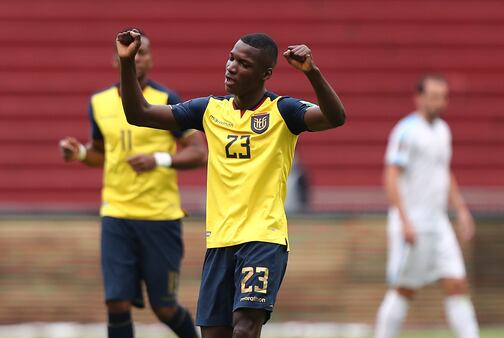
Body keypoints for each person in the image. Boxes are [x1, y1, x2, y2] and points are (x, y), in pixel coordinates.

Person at [115, 29, 346, 338]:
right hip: (220, 241)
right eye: (231, 58)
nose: (232, 67)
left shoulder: (283, 111)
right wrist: (126, 62)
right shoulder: (210, 110)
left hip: (263, 238)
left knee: (245, 329)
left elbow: (335, 117)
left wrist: (312, 73)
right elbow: (138, 113)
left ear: (265, 74)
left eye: (244, 64)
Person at [59, 29, 206, 338]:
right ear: (116, 59)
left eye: (143, 52)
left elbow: (198, 152)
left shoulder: (167, 100)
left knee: (164, 307)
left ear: (151, 60)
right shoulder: (98, 103)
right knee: (116, 301)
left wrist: (159, 159)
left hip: (159, 216)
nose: (137, 58)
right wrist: (81, 153)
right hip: (117, 213)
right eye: (131, 52)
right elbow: (101, 153)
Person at [374, 75, 479, 338]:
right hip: (413, 224)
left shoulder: (444, 131)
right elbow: (390, 176)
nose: (439, 102)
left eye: (443, 97)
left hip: (438, 223)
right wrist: (404, 220)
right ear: (419, 98)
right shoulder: (406, 131)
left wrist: (462, 209)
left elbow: (444, 173)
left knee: (456, 283)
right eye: (433, 97)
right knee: (404, 289)